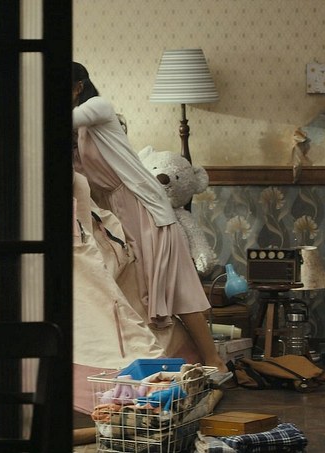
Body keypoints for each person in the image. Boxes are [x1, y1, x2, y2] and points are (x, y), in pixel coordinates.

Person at [71, 62, 231, 380]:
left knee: (178, 288)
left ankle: (215, 361)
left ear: (78, 87)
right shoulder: (79, 134)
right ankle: (175, 363)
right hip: (117, 212)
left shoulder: (98, 108)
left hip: (143, 205)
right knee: (142, 290)